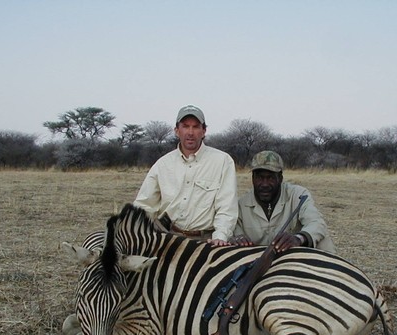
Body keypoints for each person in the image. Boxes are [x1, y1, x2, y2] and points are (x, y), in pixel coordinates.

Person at [134, 105, 237, 246]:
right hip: (168, 239)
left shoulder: (223, 161)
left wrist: (220, 236)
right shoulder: (162, 164)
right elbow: (144, 206)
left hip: (206, 242)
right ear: (177, 130)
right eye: (185, 126)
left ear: (204, 131)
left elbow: (226, 207)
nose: (190, 132)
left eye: (195, 127)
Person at [231, 150, 335, 253]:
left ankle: (332, 267)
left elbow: (316, 222)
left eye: (270, 178)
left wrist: (299, 238)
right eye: (259, 178)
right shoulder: (241, 204)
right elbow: (233, 233)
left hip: (293, 254)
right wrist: (236, 239)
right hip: (257, 260)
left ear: (280, 178)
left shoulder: (298, 195)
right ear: (252, 178)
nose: (264, 184)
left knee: (321, 238)